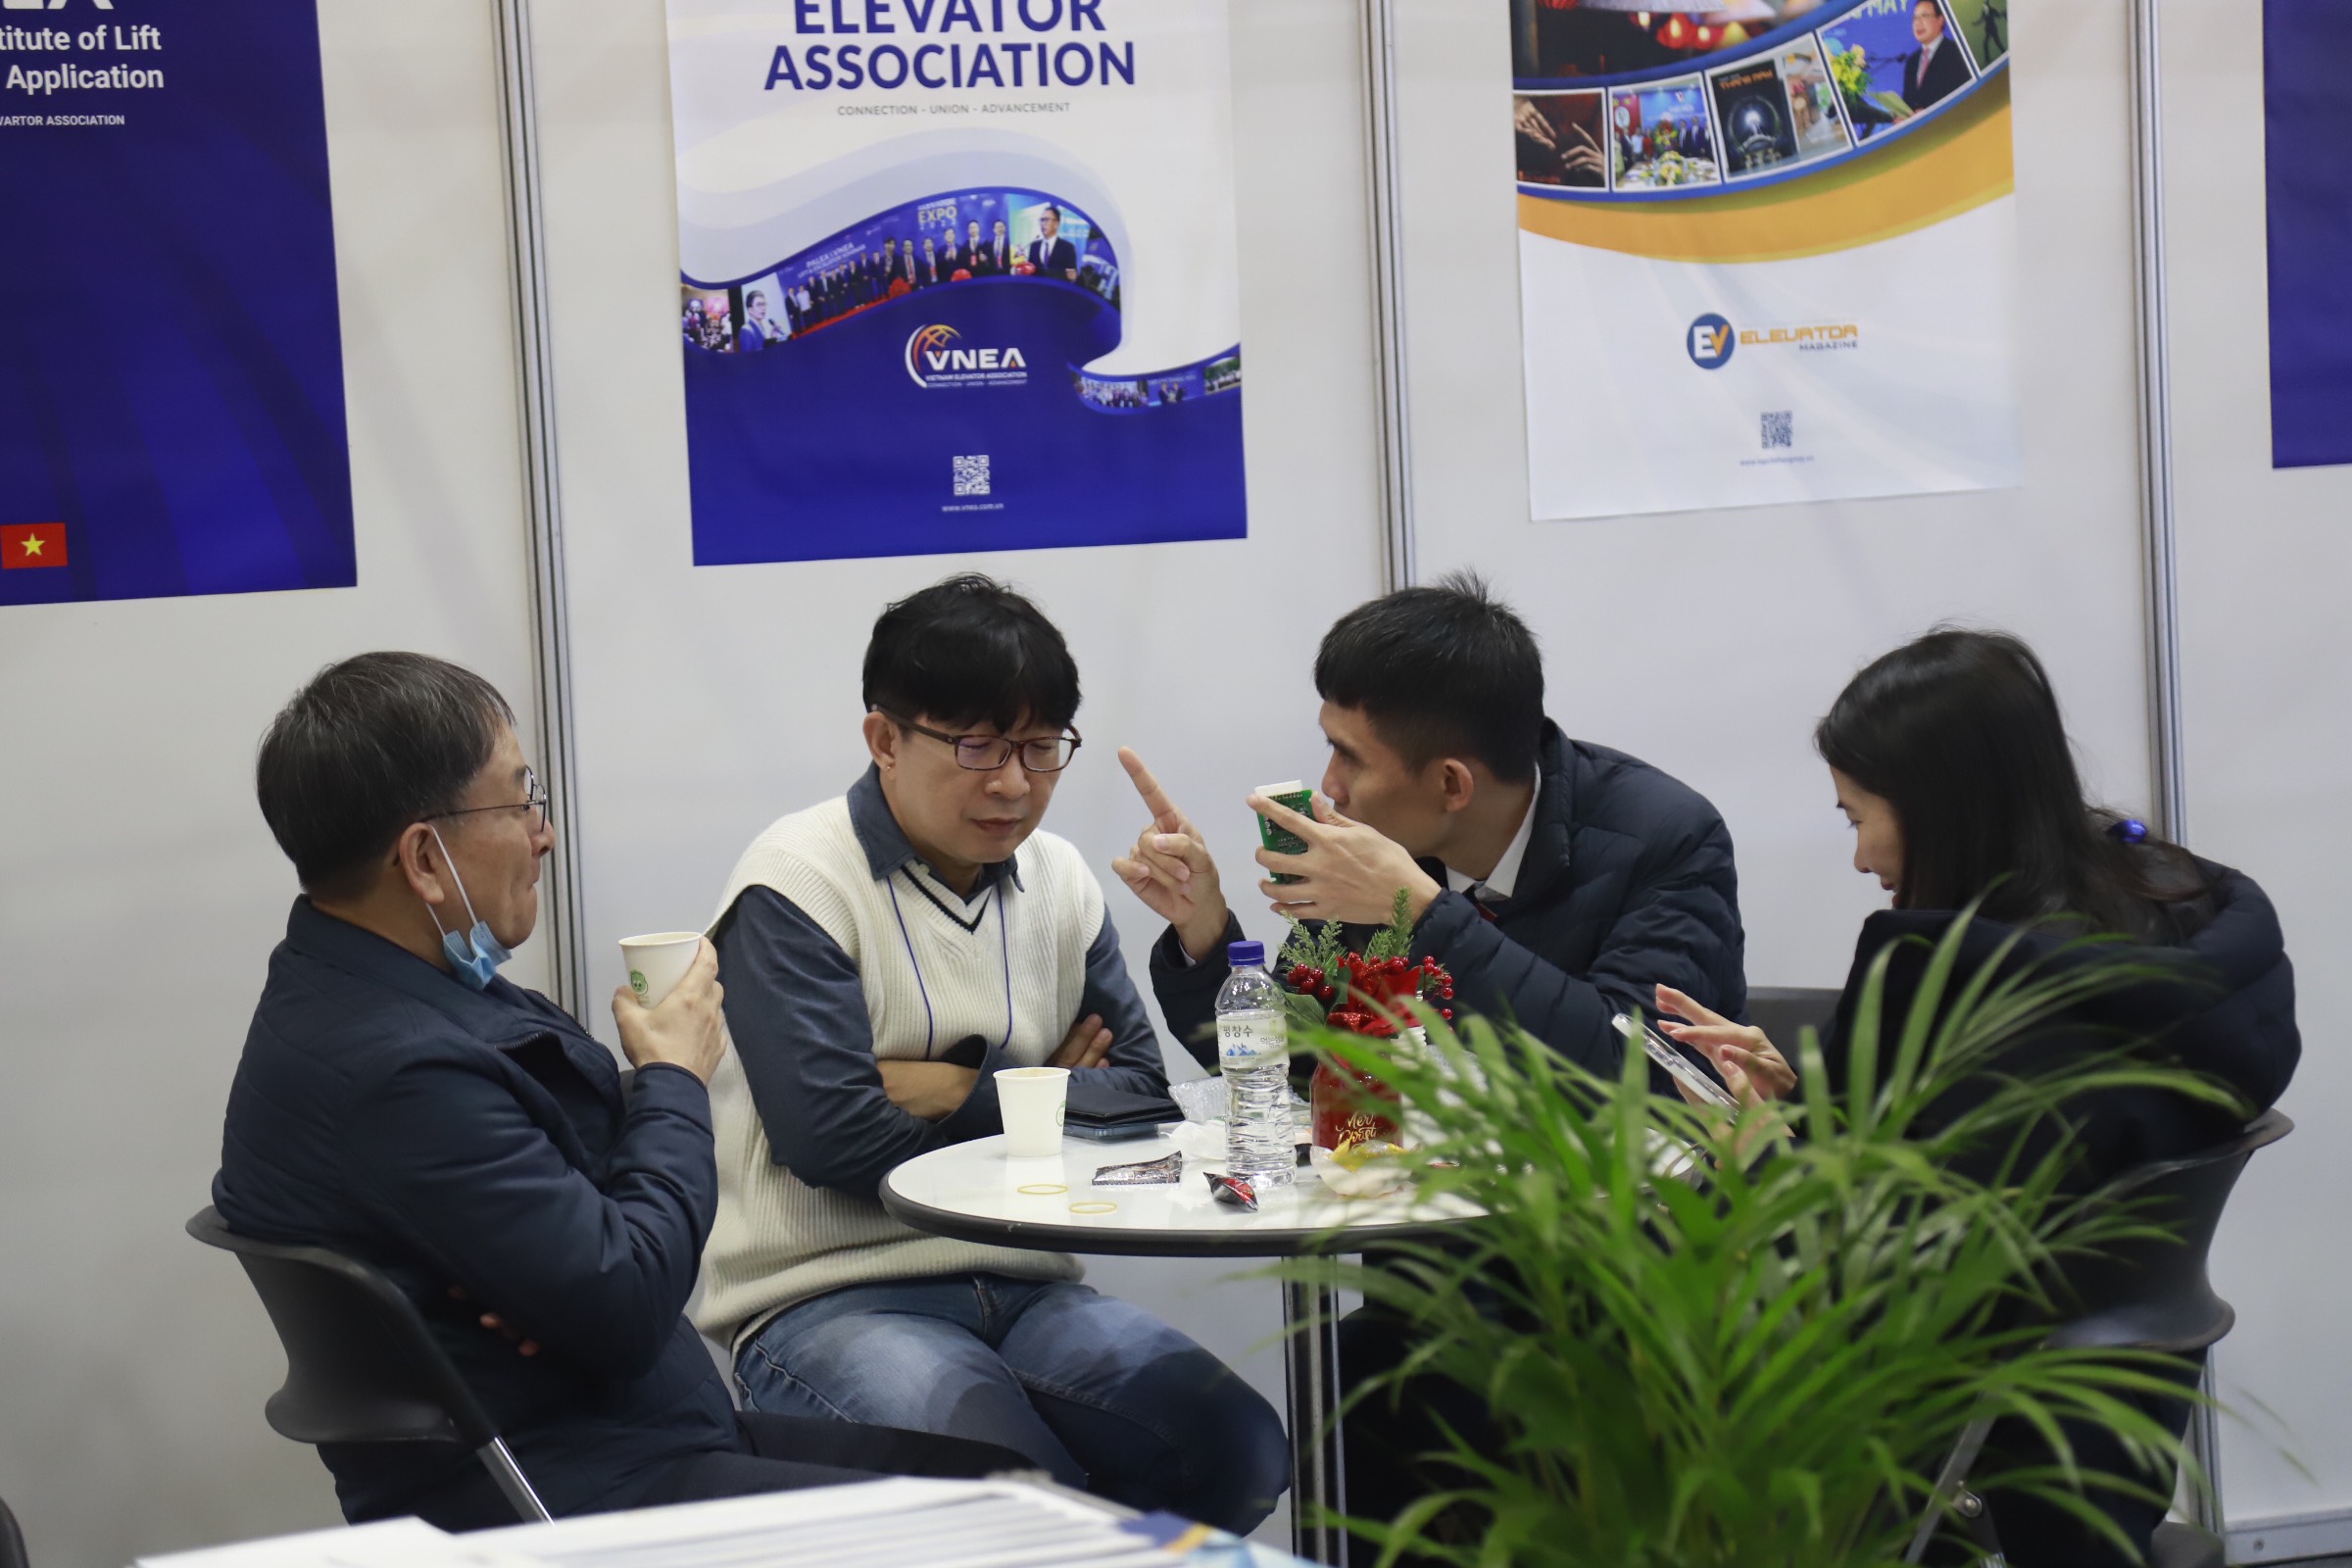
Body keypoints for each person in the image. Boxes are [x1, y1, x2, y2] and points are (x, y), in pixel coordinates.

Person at [213, 655, 1020, 1532]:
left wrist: (567, 1259)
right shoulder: (397, 1072)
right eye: (518, 802)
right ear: (423, 858)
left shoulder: (366, 988)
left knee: (1010, 1482)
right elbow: (629, 1302)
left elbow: (582, 1253)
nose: (543, 834)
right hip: (580, 1492)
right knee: (997, 1521)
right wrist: (674, 1080)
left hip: (628, 1434)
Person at [1654, 628, 2298, 1568]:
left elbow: (1875, 1283)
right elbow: (2002, 1171)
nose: (1860, 857)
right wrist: (1809, 1098)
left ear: (1940, 812)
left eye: (1856, 817)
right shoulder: (2173, 916)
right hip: (2112, 1442)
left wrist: (1760, 1156)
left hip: (1955, 1450)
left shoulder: (1981, 1002)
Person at [694, 576, 1290, 1535]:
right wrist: (1052, 1088)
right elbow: (834, 1141)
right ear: (885, 739)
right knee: (1023, 1500)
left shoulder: (1058, 878)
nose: (1014, 783)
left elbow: (1143, 1095)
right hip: (829, 1294)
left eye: (1040, 746)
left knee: (1238, 1445)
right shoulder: (796, 883)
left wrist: (949, 1086)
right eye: (976, 745)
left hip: (1022, 1280)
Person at [1118, 571, 1746, 1079]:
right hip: (1414, 1198)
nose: (1330, 786)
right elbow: (1292, 1066)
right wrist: (1204, 932)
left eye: (1351, 758)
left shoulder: (1666, 838)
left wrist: (1422, 911)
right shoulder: (1379, 847)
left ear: (1451, 785)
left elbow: (1648, 1075)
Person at [1901, 0, 1971, 114]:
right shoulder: (1912, 61)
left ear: (1940, 20)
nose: (1917, 23)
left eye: (1924, 16)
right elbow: (1908, 103)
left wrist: (1929, 112)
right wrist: (1903, 116)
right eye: (1915, 18)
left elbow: (1966, 96)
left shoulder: (1956, 52)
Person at [1026, 206, 1079, 281]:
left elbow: (1072, 276)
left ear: (1056, 224)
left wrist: (1072, 275)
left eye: (1046, 220)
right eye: (1041, 220)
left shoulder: (1067, 247)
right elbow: (1030, 271)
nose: (1043, 224)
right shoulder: (1034, 246)